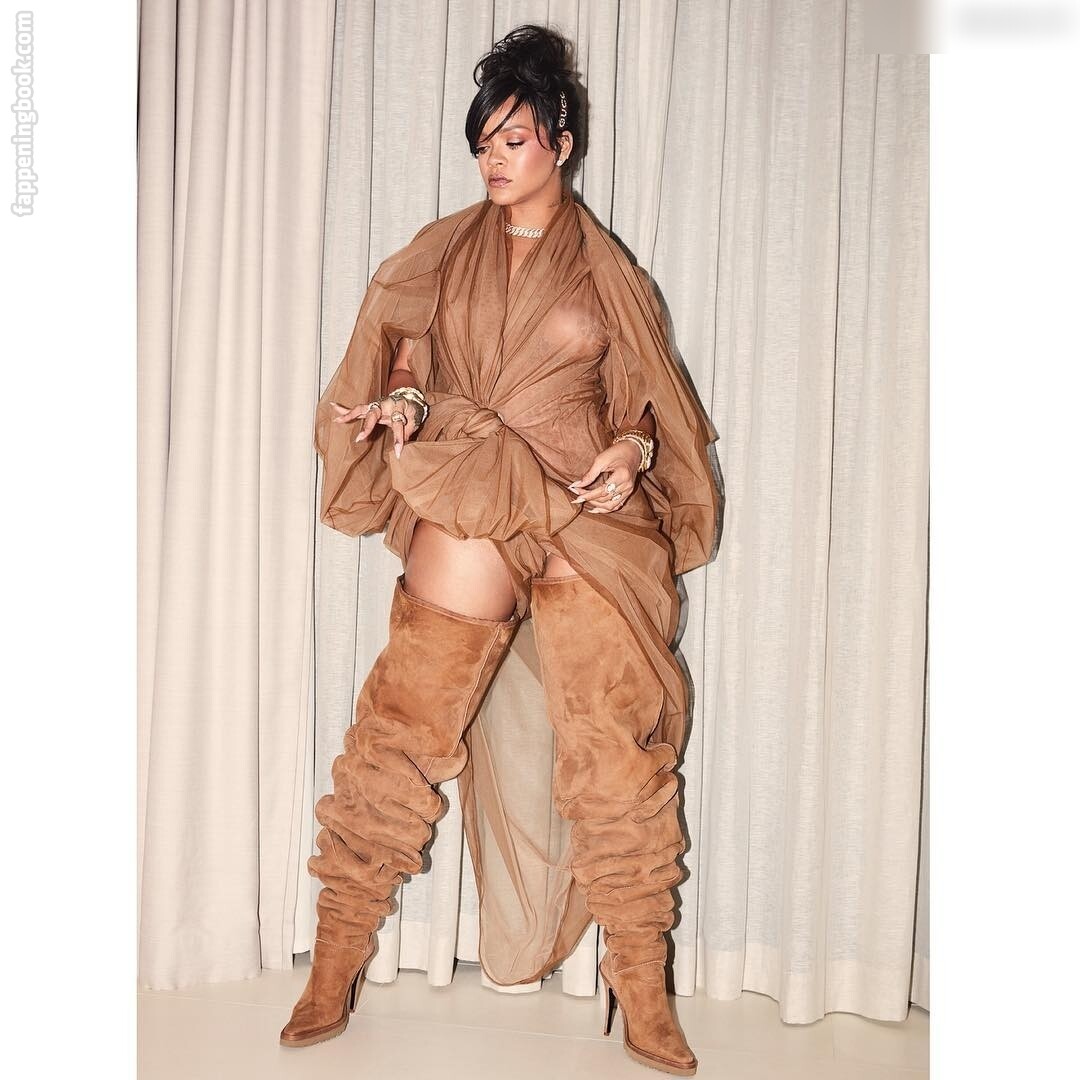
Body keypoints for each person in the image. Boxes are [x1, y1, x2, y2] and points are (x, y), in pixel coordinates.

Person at [280, 23, 720, 1078]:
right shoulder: (441, 253)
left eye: (514, 138)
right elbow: (415, 372)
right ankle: (336, 955)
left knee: (613, 748)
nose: (494, 158)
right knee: (402, 724)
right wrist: (402, 406)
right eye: (484, 141)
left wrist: (629, 451)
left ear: (561, 143)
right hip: (477, 481)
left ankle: (640, 982)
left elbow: (644, 403)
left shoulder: (610, 272)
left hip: (583, 511)